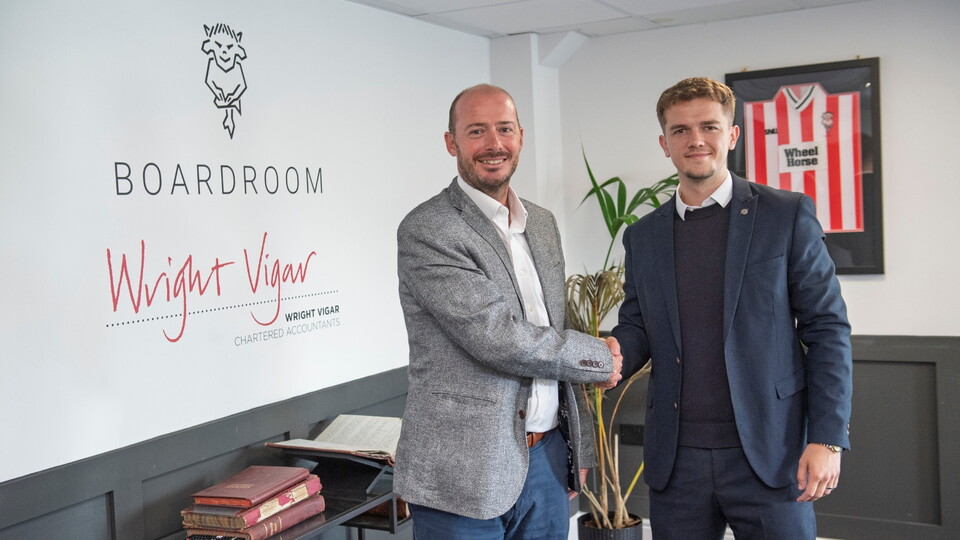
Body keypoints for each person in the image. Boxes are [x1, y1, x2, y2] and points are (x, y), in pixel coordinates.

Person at [611, 77, 853, 540]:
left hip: (772, 453)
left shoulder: (786, 215)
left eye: (709, 126)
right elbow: (637, 327)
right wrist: (608, 353)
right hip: (676, 462)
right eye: (680, 130)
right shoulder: (642, 236)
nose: (696, 140)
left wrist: (826, 438)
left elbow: (827, 329)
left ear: (732, 135)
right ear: (665, 144)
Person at [393, 83, 623, 540]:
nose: (493, 144)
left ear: (520, 135)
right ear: (451, 142)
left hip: (545, 461)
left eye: (504, 129)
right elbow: (497, 336)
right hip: (463, 471)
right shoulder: (428, 228)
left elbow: (549, 328)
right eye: (476, 131)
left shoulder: (540, 222)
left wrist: (575, 453)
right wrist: (596, 356)